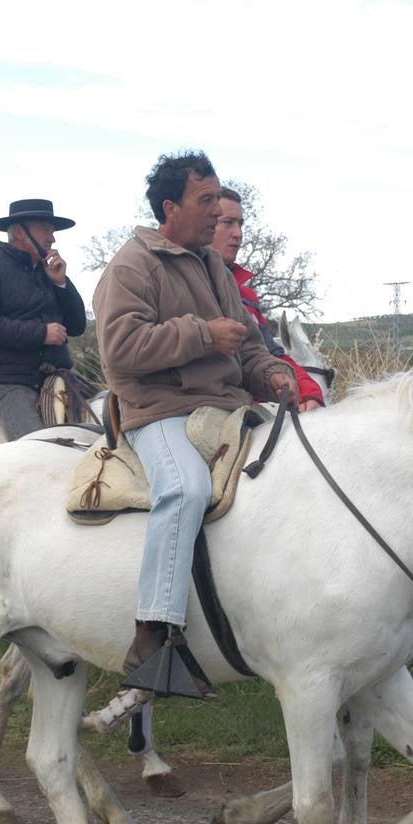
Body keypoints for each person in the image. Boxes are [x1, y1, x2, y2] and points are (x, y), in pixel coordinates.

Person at [94, 151, 297, 695]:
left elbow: (249, 347)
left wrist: (273, 373)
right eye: (205, 201)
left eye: (219, 200)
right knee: (184, 487)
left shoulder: (213, 266)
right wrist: (202, 335)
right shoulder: (133, 264)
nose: (217, 212)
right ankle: (153, 636)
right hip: (159, 410)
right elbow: (120, 350)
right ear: (170, 207)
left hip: (224, 406)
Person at [0, 199, 88, 439]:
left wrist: (61, 283)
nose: (52, 238)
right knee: (40, 445)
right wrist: (41, 333)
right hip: (10, 383)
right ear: (20, 231)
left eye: (52, 231)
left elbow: (78, 325)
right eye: (44, 229)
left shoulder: (49, 272)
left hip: (58, 376)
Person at [212, 187, 325, 411]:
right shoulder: (178, 283)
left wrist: (307, 392)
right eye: (228, 223)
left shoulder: (246, 296)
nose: (238, 233)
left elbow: (271, 354)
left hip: (255, 410)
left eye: (240, 224)